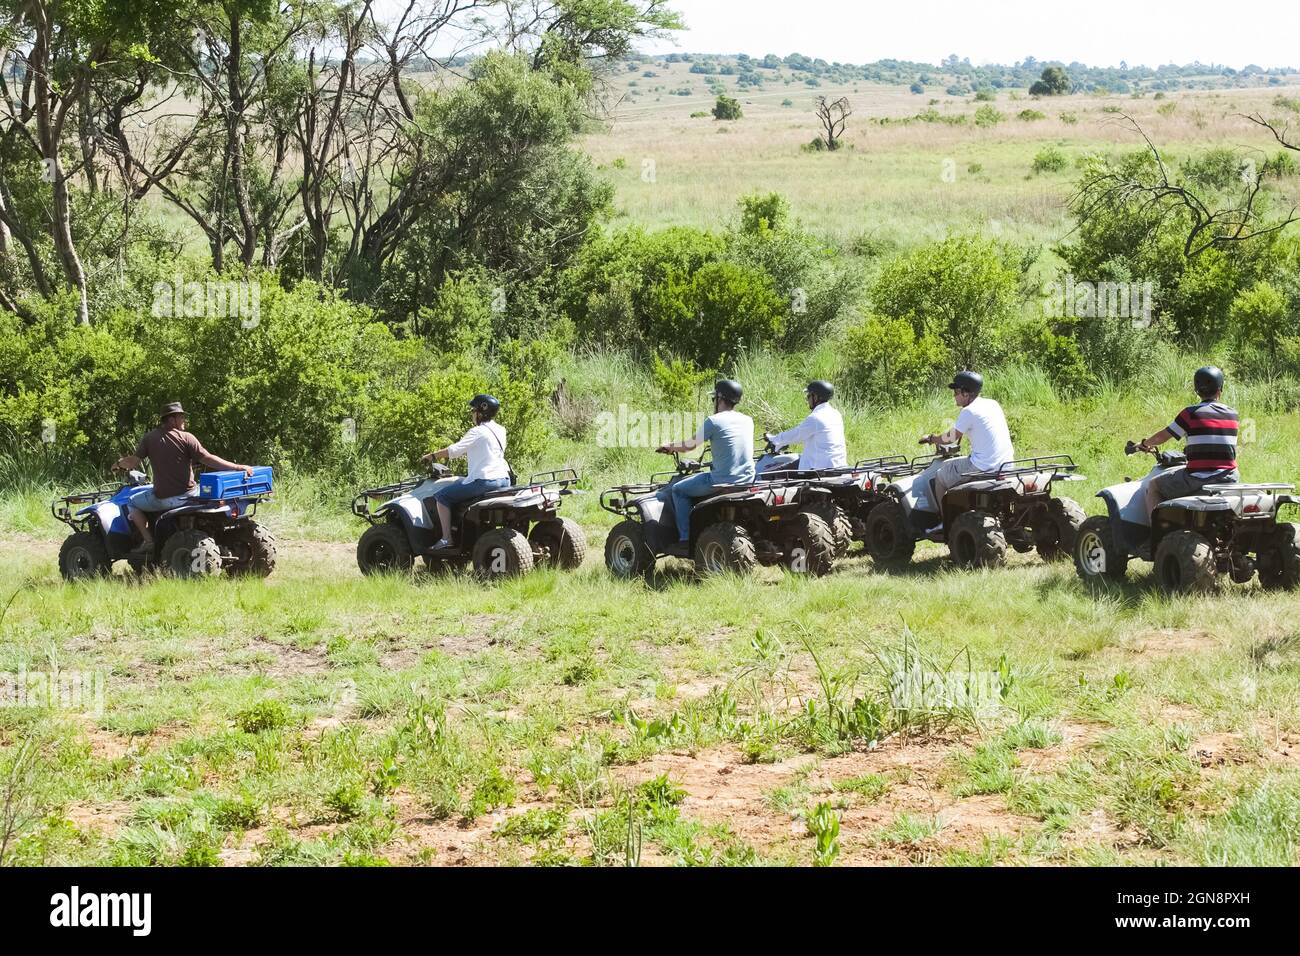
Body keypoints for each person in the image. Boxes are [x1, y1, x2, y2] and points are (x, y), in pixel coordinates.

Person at [112, 402, 254, 553]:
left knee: (132, 502)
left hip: (165, 499)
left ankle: (148, 541)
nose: (184, 420)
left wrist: (118, 464)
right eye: (181, 417)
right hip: (189, 495)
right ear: (172, 419)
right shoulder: (187, 438)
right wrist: (238, 467)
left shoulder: (150, 438)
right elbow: (208, 458)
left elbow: (133, 461)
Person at [655, 380, 756, 551]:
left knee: (678, 490)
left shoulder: (714, 421)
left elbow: (690, 445)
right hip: (748, 478)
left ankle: (685, 538)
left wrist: (669, 446)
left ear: (719, 398)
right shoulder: (747, 420)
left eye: (714, 399)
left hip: (722, 479)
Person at [1138, 366, 1239, 521]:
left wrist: (1145, 443)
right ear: (1220, 389)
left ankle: (1157, 534)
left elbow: (1163, 437)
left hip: (1198, 477)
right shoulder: (1233, 414)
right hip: (1229, 477)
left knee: (1154, 486)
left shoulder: (1190, 413)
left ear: (1197, 390)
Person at [916, 371, 1015, 532]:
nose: (954, 396)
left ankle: (944, 523)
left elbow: (951, 438)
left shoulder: (969, 411)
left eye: (956, 392)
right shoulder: (992, 404)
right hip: (1006, 464)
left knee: (941, 476)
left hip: (982, 466)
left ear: (966, 393)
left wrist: (931, 438)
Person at [422, 394, 511, 551]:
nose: (472, 414)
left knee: (442, 497)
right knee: (460, 483)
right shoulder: (501, 430)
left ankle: (446, 539)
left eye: (473, 411)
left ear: (480, 413)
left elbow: (454, 451)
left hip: (485, 480)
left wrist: (432, 456)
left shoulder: (478, 431)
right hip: (504, 478)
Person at [764, 380, 848, 472]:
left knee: (770, 473)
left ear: (816, 397)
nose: (807, 399)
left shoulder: (816, 418)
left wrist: (774, 439)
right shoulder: (836, 414)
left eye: (809, 396)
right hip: (838, 465)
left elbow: (796, 434)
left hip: (819, 468)